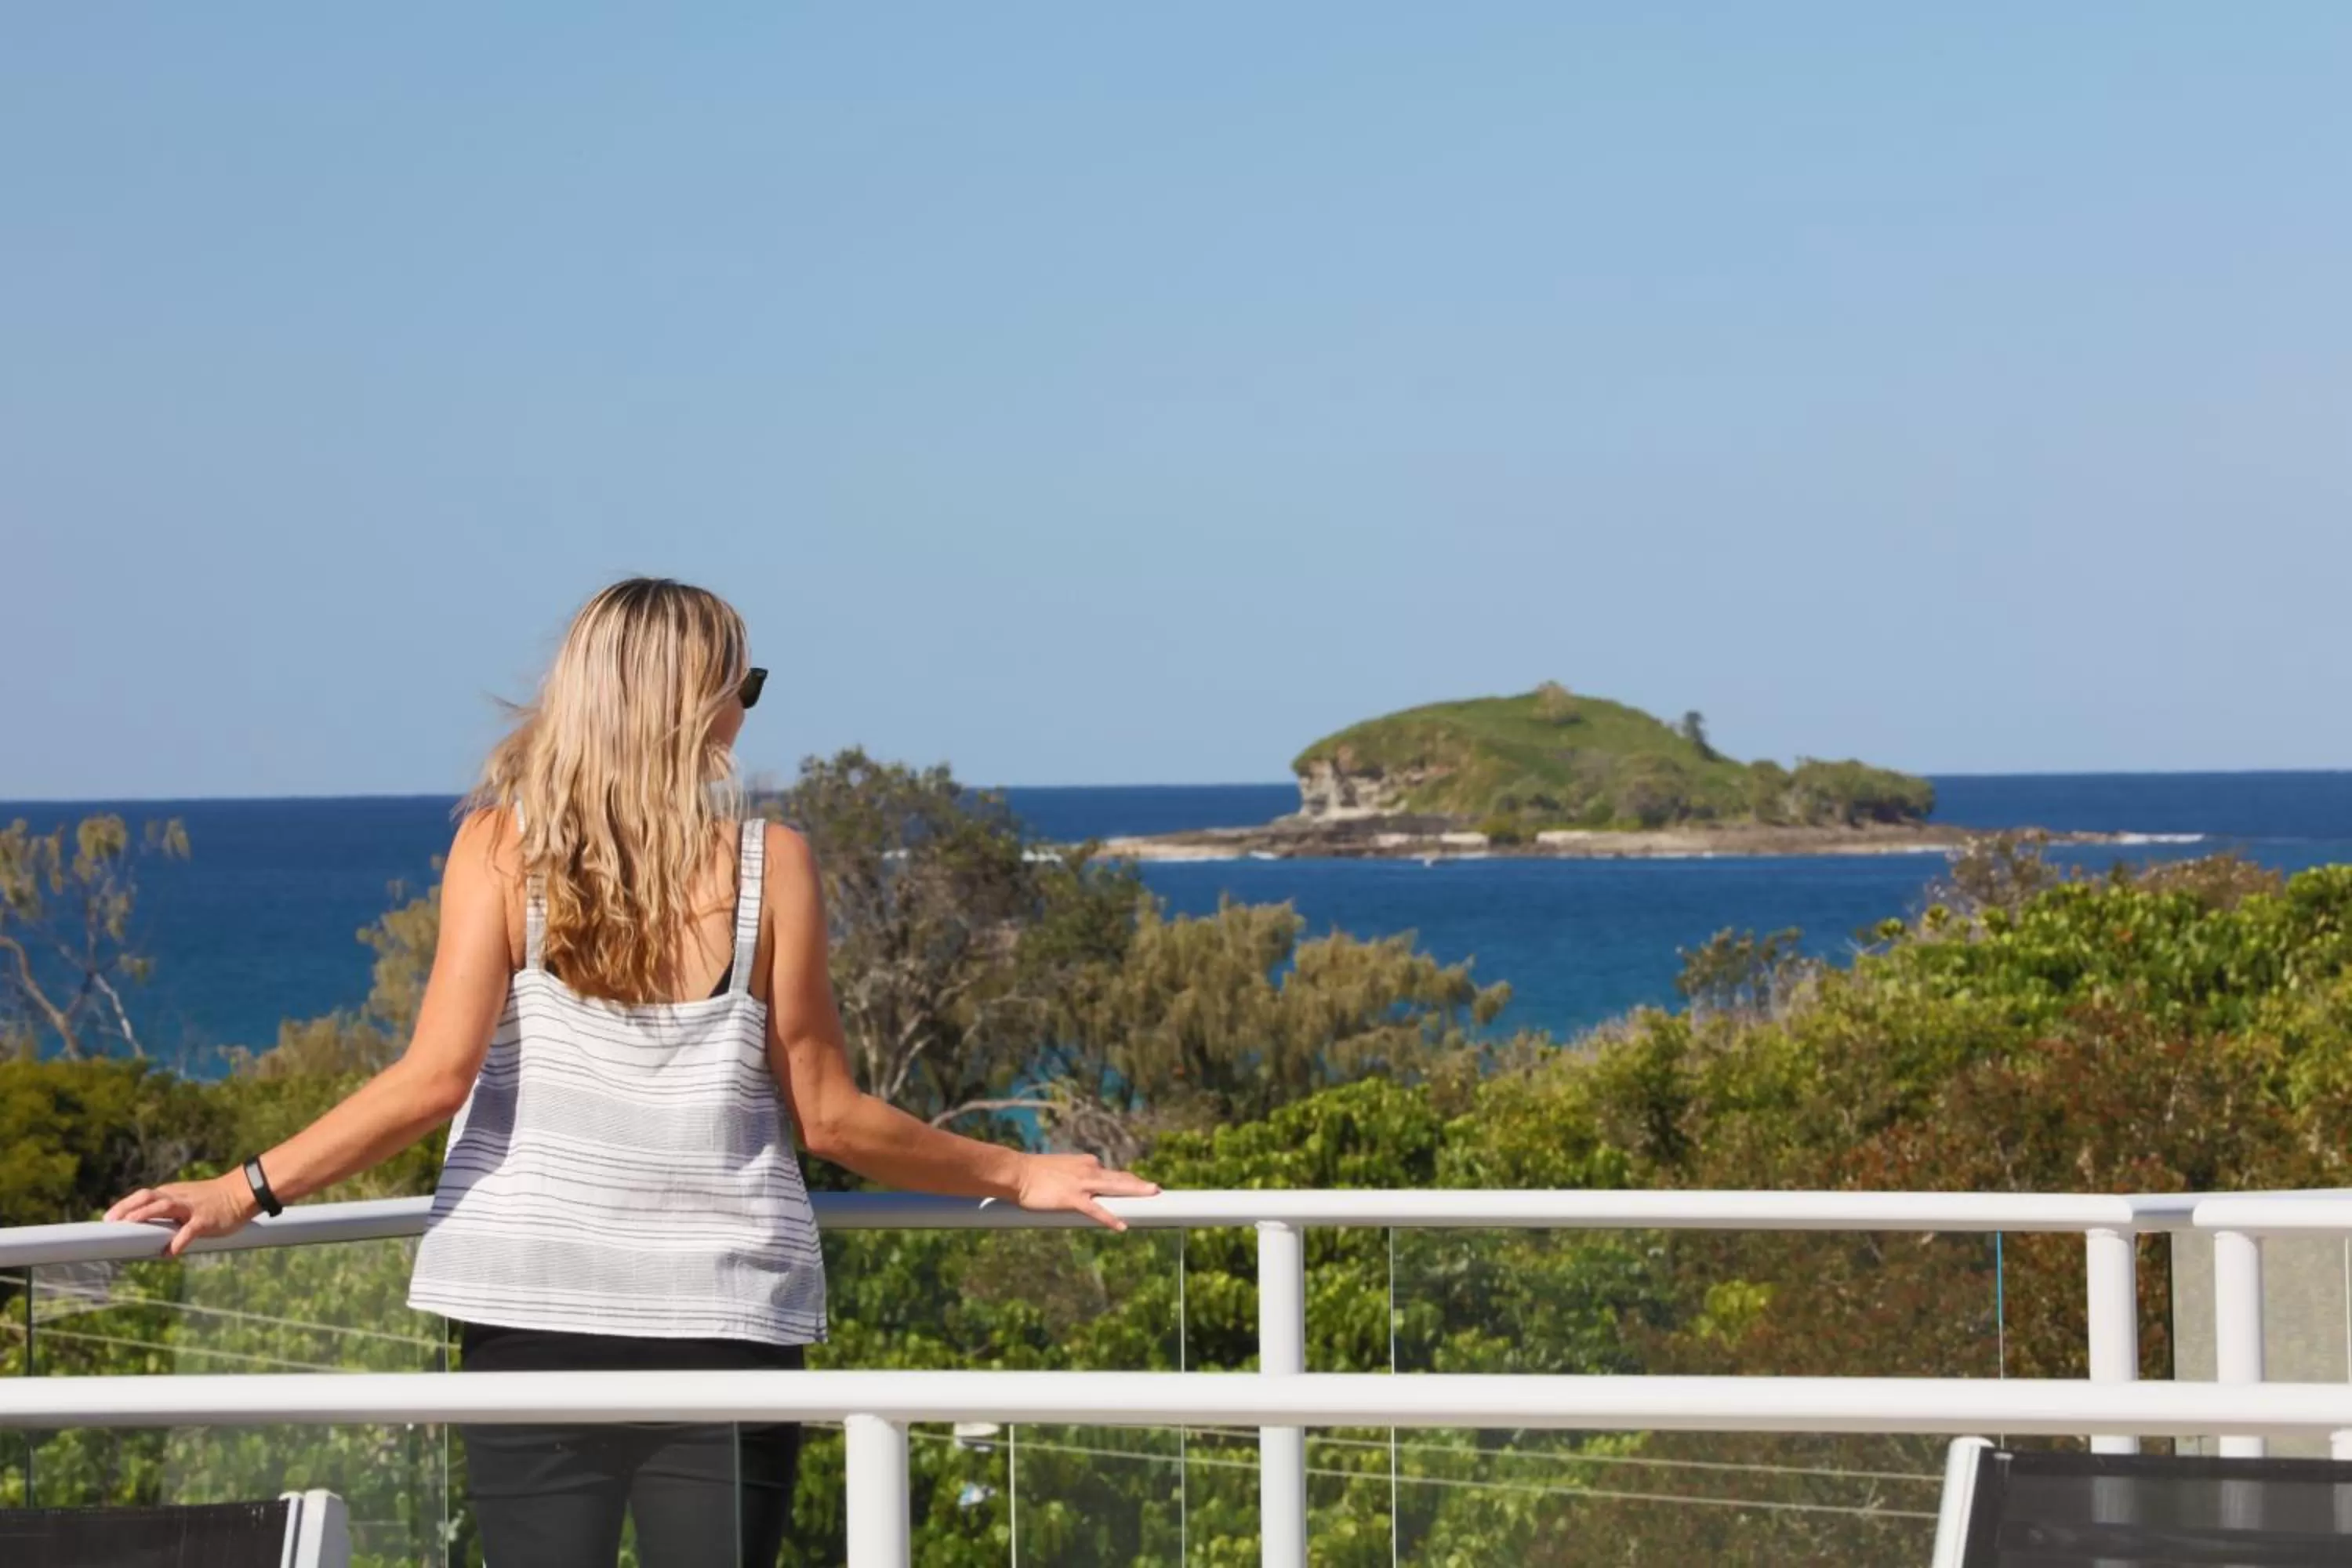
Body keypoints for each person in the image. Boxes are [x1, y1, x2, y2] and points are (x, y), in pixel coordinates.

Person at [105, 576, 1158, 1566]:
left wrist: (241, 1191)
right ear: (689, 704)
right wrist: (1018, 1173)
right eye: (743, 686)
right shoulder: (767, 863)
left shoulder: (497, 850)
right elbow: (829, 1118)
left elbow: (430, 1081)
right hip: (721, 1318)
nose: (749, 709)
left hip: (526, 1309)